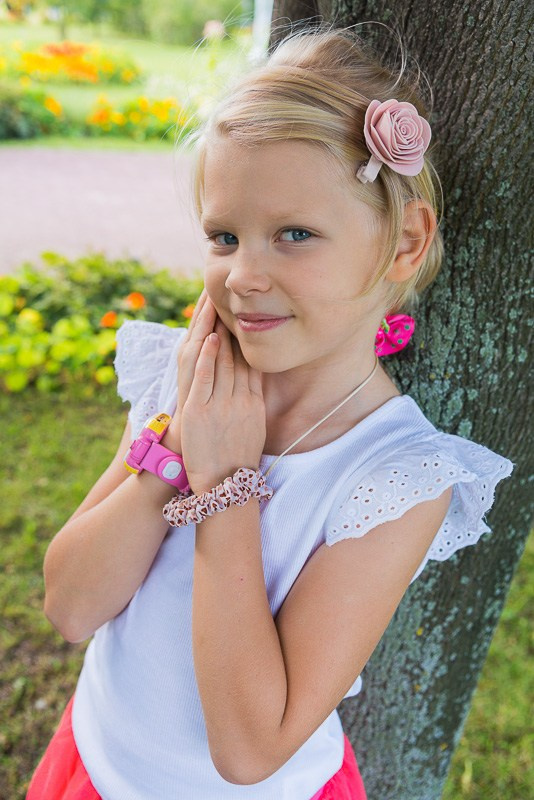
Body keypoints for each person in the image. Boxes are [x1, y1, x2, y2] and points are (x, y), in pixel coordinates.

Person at [27, 21, 515, 800]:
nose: (245, 275)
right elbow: (72, 605)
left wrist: (224, 486)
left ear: (405, 243)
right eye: (224, 236)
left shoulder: (394, 477)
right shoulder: (188, 387)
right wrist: (180, 442)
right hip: (97, 760)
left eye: (294, 234)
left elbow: (251, 749)